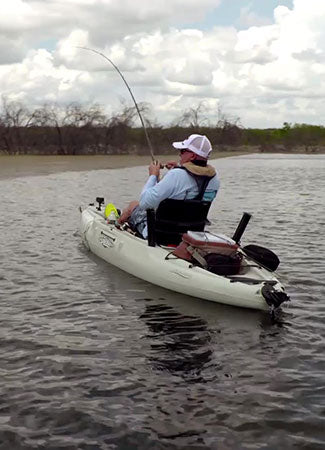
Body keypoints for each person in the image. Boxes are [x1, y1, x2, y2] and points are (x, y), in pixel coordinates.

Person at [118, 134, 220, 238]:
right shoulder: (214, 178)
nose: (180, 155)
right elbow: (189, 188)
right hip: (190, 235)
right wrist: (179, 167)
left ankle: (117, 227)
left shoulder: (176, 175)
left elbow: (145, 203)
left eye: (183, 151)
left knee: (133, 205)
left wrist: (153, 175)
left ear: (192, 156)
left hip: (159, 234)